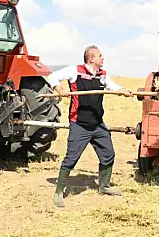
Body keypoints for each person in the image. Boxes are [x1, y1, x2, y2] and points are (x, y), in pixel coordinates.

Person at [47, 45, 133, 208]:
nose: (103, 58)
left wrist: (122, 90)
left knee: (108, 154)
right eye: (100, 56)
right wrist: (59, 88)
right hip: (79, 124)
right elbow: (52, 77)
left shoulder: (102, 75)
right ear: (91, 58)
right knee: (71, 159)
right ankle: (59, 192)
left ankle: (104, 186)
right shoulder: (75, 71)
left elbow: (112, 87)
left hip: (98, 124)